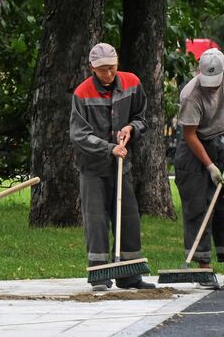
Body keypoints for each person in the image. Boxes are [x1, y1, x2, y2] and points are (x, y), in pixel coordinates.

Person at [70, 42, 154, 291]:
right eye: (102, 69)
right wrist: (108, 148)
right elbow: (78, 134)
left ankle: (130, 276)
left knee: (129, 218)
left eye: (112, 68)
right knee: (96, 221)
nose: (108, 74)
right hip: (93, 168)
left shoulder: (132, 83)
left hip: (121, 166)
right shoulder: (82, 93)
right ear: (92, 68)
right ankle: (99, 276)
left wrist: (131, 128)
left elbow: (141, 117)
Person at [174, 48, 224, 290]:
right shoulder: (190, 94)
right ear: (199, 72)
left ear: (223, 72)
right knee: (198, 206)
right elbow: (189, 135)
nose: (210, 86)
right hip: (194, 148)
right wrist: (209, 166)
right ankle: (203, 269)